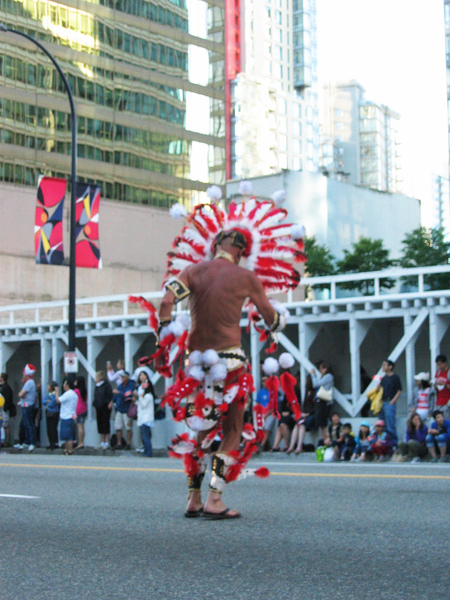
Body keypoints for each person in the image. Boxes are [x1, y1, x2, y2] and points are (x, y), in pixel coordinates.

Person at [158, 231, 283, 520]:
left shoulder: (192, 271)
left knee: (200, 431)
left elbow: (165, 304)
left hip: (196, 366)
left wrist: (161, 344)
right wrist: (279, 320)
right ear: (240, 250)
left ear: (215, 246)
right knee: (232, 432)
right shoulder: (245, 277)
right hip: (230, 364)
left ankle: (194, 498)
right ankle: (215, 498)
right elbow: (269, 317)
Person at [287, 373, 317, 454]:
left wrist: (308, 413)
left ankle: (299, 446)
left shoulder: (315, 393)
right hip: (305, 415)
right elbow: (304, 405)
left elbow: (315, 406)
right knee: (297, 424)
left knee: (302, 424)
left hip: (312, 415)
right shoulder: (307, 392)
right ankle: (291, 446)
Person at [376, 359, 402, 447]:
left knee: (390, 424)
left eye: (384, 365)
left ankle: (394, 444)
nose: (383, 367)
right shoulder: (383, 378)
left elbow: (399, 390)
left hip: (389, 402)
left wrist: (393, 401)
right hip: (382, 402)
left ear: (390, 367)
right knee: (381, 423)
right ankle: (383, 442)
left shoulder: (395, 377)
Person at [15, 364, 37, 452]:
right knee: (25, 425)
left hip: (27, 406)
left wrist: (21, 396)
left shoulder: (29, 382)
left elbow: (21, 394)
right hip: (25, 405)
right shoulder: (30, 382)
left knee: (29, 425)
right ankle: (26, 441)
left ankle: (32, 442)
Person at [111, 371, 135, 449]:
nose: (122, 378)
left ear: (127, 377)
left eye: (123, 377)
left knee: (128, 427)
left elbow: (127, 394)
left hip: (127, 409)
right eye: (121, 377)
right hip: (119, 408)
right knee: (118, 427)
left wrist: (118, 392)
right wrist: (112, 401)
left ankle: (128, 443)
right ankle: (119, 443)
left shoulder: (130, 385)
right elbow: (116, 396)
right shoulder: (120, 385)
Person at [311, 361, 334, 440]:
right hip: (322, 401)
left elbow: (315, 384)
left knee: (323, 422)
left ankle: (326, 439)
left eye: (322, 368)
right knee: (321, 422)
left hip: (324, 401)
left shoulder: (328, 376)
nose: (320, 370)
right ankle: (325, 439)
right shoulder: (326, 377)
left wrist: (313, 375)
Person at [135, 371, 155, 457]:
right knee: (144, 436)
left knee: (145, 436)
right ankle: (146, 451)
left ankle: (148, 452)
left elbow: (143, 404)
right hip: (143, 416)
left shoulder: (148, 396)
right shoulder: (143, 393)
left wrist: (139, 397)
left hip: (146, 418)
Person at [56, 378, 78, 455]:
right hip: (72, 415)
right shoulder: (74, 394)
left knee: (67, 435)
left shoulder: (68, 394)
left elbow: (58, 400)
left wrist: (57, 392)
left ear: (67, 385)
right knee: (69, 434)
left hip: (66, 416)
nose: (63, 386)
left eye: (64, 384)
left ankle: (69, 450)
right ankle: (66, 450)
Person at [93, 371, 113, 450]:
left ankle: (107, 442)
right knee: (100, 423)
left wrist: (108, 403)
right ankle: (102, 441)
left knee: (105, 423)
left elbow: (109, 395)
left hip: (105, 407)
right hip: (98, 407)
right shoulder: (97, 386)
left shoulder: (106, 385)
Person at [42, 381, 60, 450]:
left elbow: (52, 404)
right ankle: (50, 442)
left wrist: (48, 402)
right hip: (48, 412)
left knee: (53, 428)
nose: (48, 388)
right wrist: (47, 401)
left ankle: (54, 443)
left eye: (49, 386)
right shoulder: (49, 394)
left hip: (54, 413)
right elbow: (43, 401)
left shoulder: (55, 395)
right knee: (49, 428)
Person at [0, 372, 15, 447]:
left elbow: (8, 399)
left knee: (5, 425)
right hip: (2, 409)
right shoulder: (3, 387)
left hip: (4, 409)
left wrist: (5, 408)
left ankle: (6, 441)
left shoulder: (6, 388)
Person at [74, 375, 88, 450]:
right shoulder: (84, 390)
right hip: (84, 409)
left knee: (79, 427)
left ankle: (80, 442)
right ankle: (82, 441)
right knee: (82, 427)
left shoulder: (76, 391)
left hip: (78, 410)